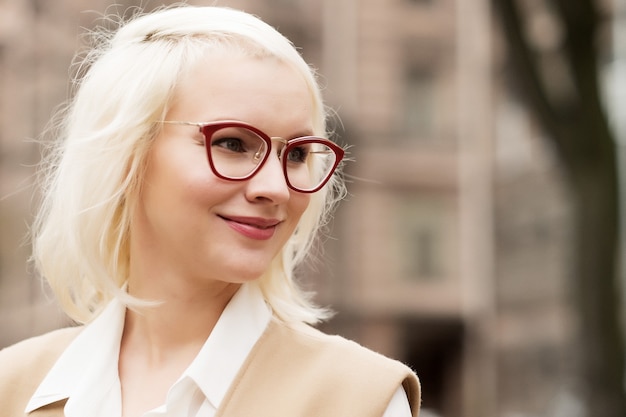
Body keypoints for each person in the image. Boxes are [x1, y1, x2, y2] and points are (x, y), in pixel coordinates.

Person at [0, 5, 420, 417]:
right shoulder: (13, 386)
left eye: (296, 154)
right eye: (233, 143)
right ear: (127, 152)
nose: (275, 188)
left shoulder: (359, 400)